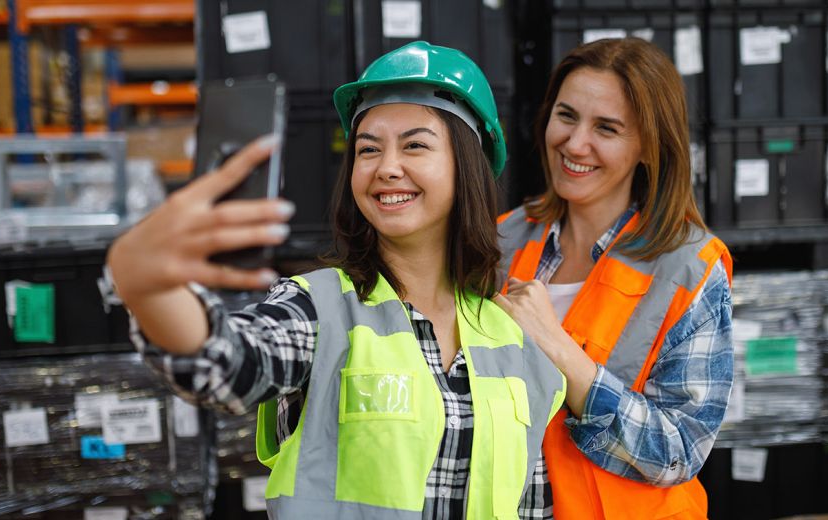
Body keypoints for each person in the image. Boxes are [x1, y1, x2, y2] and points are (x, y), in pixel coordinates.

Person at [105, 41, 566, 519]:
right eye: (368, 150)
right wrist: (148, 289)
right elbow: (227, 364)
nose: (386, 167)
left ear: (467, 166)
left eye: (414, 145)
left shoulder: (515, 336)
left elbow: (532, 504)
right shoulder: (318, 308)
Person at [491, 37, 734, 520]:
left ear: (648, 145)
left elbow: (679, 451)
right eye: (566, 116)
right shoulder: (501, 241)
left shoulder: (689, 266)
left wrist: (557, 348)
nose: (575, 143)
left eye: (606, 127)